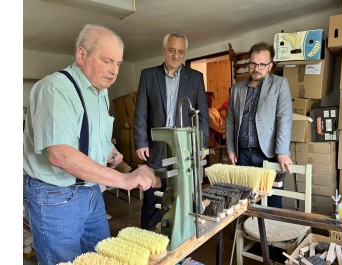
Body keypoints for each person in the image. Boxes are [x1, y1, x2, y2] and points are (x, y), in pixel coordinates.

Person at [23, 24, 160, 265]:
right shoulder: (56, 88)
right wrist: (122, 179)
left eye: (118, 63)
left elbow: (92, 135)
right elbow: (60, 155)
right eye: (107, 60)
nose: (114, 71)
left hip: (91, 191)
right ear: (81, 55)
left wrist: (112, 152)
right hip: (55, 196)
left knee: (101, 257)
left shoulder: (100, 92)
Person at [134, 31, 209, 230]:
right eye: (172, 50)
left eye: (181, 51)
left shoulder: (195, 78)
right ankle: (149, 243)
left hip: (184, 151)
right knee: (153, 199)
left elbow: (202, 117)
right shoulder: (148, 75)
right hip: (156, 148)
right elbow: (141, 111)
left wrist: (200, 146)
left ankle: (176, 245)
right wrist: (140, 141)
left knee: (183, 199)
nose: (176, 55)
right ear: (163, 50)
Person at [225, 41, 293, 208]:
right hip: (242, 154)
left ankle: (271, 233)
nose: (257, 68)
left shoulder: (280, 84)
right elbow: (230, 119)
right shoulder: (236, 89)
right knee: (244, 201)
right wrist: (231, 148)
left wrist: (282, 151)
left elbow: (283, 118)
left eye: (262, 64)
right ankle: (247, 232)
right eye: (253, 63)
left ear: (270, 66)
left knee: (272, 200)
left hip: (268, 153)